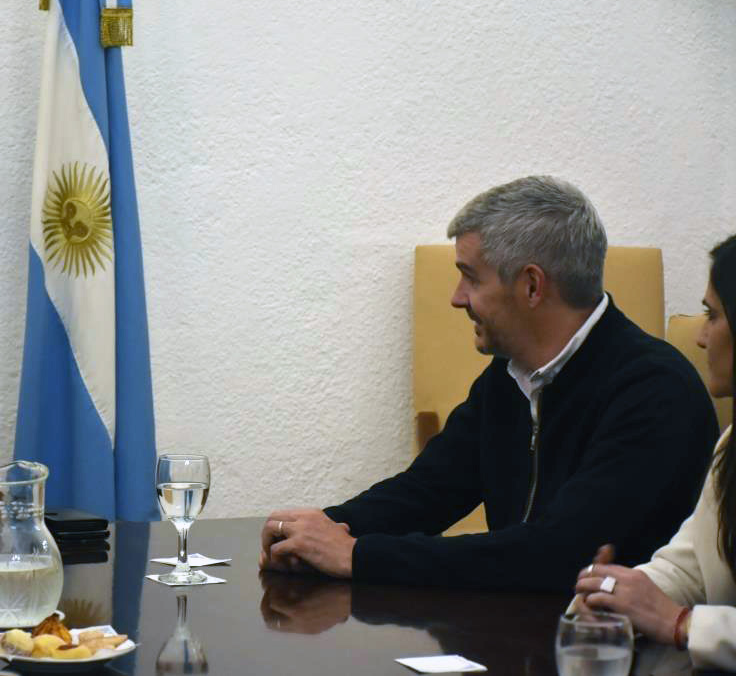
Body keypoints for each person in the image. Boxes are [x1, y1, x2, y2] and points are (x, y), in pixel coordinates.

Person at [260, 175, 718, 591]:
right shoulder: (510, 376)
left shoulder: (655, 393)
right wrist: (320, 530)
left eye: (469, 277)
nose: (456, 299)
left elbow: (556, 556)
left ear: (532, 286)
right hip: (517, 638)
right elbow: (427, 491)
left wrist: (357, 555)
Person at [574, 234, 736, 670]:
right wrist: (614, 593)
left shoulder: (651, 384)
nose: (701, 337)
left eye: (713, 315)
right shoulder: (731, 445)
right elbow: (690, 568)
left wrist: (683, 624)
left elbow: (678, 616)